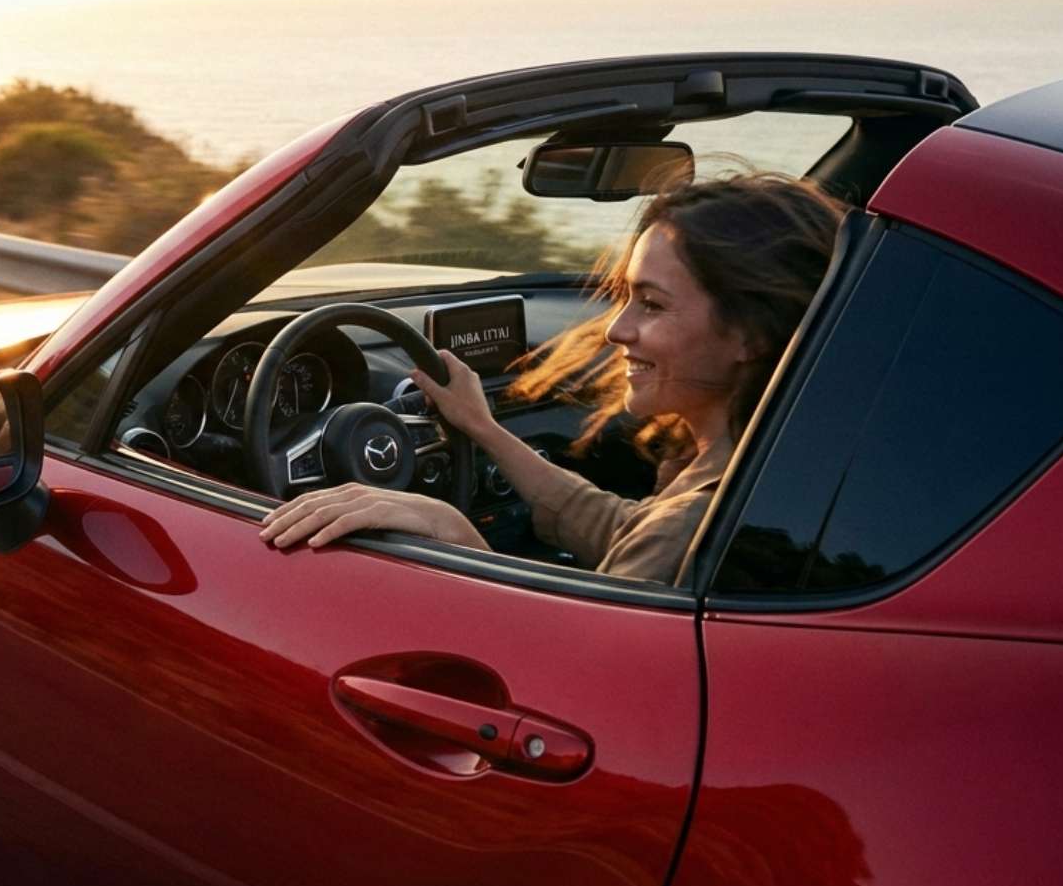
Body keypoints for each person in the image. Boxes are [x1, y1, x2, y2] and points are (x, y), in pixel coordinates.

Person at [257, 172, 844, 585]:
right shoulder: (765, 464)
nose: (617, 330)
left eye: (653, 305)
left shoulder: (691, 525)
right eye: (625, 298)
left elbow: (559, 678)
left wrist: (450, 531)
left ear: (752, 335)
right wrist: (482, 428)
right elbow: (621, 526)